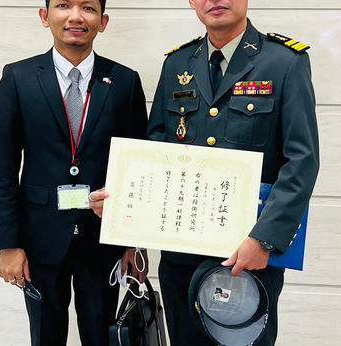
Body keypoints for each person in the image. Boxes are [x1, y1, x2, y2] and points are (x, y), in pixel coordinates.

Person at [90, 0, 319, 344]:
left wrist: (264, 239)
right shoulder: (178, 63)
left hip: (248, 253)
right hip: (181, 255)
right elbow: (156, 154)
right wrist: (123, 207)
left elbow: (302, 161)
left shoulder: (285, 62)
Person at [0, 0, 148, 345]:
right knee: (45, 335)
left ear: (102, 21)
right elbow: (3, 168)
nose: (76, 16)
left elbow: (138, 167)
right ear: (45, 17)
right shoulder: (17, 78)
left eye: (88, 8)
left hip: (103, 238)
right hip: (39, 240)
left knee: (102, 333)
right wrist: (8, 244)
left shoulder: (124, 81)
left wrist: (134, 244)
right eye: (64, 5)